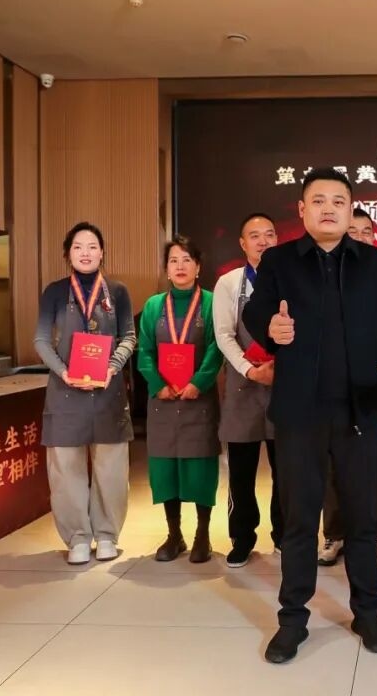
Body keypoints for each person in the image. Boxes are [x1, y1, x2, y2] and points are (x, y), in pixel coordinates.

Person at [243, 168, 377, 664]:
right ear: (302, 209)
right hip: (300, 413)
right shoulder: (279, 261)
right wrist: (270, 328)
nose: (329, 208)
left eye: (338, 200)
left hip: (360, 408)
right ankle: (292, 620)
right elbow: (255, 313)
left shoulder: (374, 262)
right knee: (299, 520)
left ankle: (367, 612)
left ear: (351, 209)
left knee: (361, 517)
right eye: (318, 200)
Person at [35, 222, 136, 565]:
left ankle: (107, 534)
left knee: (111, 469)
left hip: (107, 392)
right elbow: (41, 340)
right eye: (78, 247)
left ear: (102, 252)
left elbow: (129, 336)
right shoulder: (54, 292)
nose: (86, 253)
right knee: (66, 469)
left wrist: (112, 367)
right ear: (68, 253)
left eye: (92, 246)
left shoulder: (118, 291)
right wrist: (63, 372)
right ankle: (77, 536)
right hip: (65, 393)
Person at [319, 207, 377, 567]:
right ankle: (334, 534)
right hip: (330, 394)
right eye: (353, 231)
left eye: (367, 231)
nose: (360, 237)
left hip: (370, 394)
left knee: (373, 468)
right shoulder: (324, 276)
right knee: (332, 468)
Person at [137, 235, 224, 564]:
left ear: (198, 267)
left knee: (199, 467)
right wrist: (157, 383)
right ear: (166, 269)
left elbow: (216, 346)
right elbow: (145, 350)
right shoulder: (153, 306)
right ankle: (174, 534)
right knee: (165, 469)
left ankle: (203, 534)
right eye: (174, 260)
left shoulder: (211, 303)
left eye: (187, 260)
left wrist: (198, 382)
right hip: (163, 400)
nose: (180, 266)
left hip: (197, 400)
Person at [214, 213, 281, 567]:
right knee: (240, 472)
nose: (263, 241)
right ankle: (242, 538)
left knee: (286, 471)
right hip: (243, 386)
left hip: (282, 385)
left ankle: (285, 536)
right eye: (255, 236)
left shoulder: (289, 279)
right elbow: (224, 335)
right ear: (243, 244)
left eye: (269, 234)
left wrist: (278, 368)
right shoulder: (229, 283)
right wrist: (250, 370)